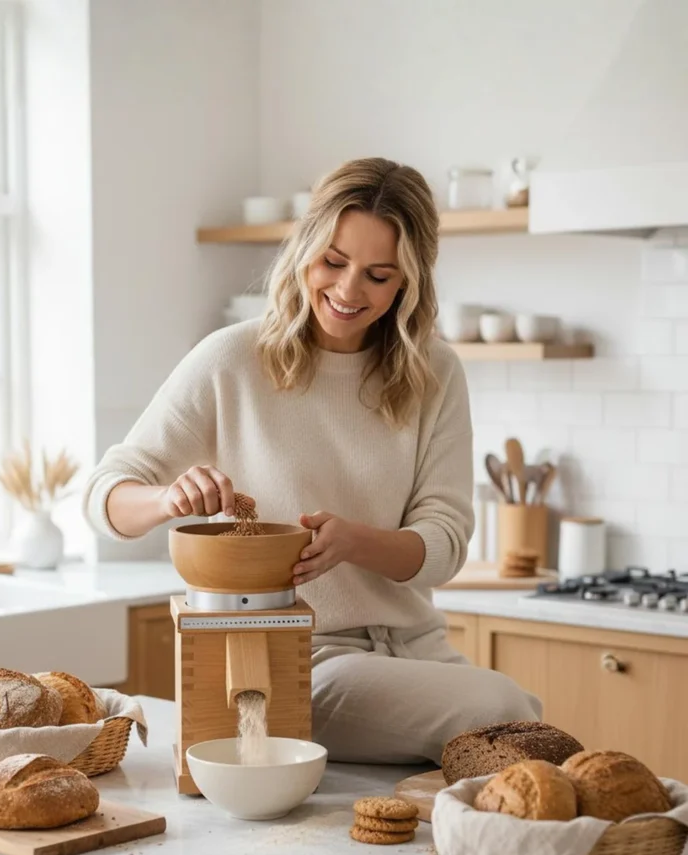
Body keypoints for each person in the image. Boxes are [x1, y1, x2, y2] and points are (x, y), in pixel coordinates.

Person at [83, 156, 541, 765]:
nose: (349, 291)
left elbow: (445, 544)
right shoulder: (232, 359)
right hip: (300, 660)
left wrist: (356, 542)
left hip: (421, 651)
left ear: (409, 283)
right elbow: (103, 496)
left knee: (527, 735)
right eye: (333, 261)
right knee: (503, 709)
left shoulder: (435, 371)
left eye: (379, 275)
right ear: (304, 250)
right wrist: (166, 499)